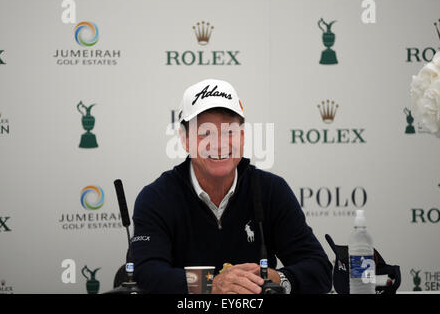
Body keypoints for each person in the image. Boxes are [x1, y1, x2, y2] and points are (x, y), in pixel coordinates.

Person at [132, 78, 332, 294]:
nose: (219, 144)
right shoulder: (157, 197)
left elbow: (319, 269)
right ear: (185, 140)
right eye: (206, 132)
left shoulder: (271, 189)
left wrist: (275, 278)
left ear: (243, 137)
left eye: (229, 131)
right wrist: (211, 284)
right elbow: (145, 274)